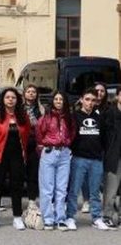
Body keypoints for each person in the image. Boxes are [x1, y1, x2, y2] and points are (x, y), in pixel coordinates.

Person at [0, 87, 31, 230]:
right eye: (7, 97)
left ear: (17, 100)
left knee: (16, 186)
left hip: (17, 155)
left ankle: (17, 217)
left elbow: (27, 133)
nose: (10, 100)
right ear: (3, 100)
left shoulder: (23, 116)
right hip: (0, 155)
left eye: (13, 97)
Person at [65, 88, 109, 231]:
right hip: (78, 159)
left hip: (96, 160)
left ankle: (96, 218)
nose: (90, 103)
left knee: (95, 192)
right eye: (87, 99)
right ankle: (70, 217)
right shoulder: (74, 116)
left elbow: (104, 138)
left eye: (93, 100)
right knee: (74, 190)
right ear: (82, 100)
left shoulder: (99, 117)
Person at [36, 91, 75, 230]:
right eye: (56, 99)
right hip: (49, 152)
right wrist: (47, 144)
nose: (59, 101)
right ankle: (48, 219)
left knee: (62, 188)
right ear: (52, 101)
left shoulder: (68, 118)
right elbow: (39, 134)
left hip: (64, 154)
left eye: (61, 99)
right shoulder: (45, 118)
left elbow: (72, 133)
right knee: (47, 188)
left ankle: (60, 218)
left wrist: (66, 143)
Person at [23, 84, 44, 207]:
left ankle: (32, 200)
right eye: (28, 91)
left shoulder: (41, 109)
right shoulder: (19, 108)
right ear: (24, 94)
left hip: (35, 144)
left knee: (33, 173)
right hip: (21, 143)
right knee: (19, 174)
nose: (31, 93)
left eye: (33, 92)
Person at [102, 90, 121, 229]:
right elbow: (103, 135)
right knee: (111, 189)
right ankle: (107, 216)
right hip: (114, 156)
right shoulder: (110, 113)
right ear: (118, 96)